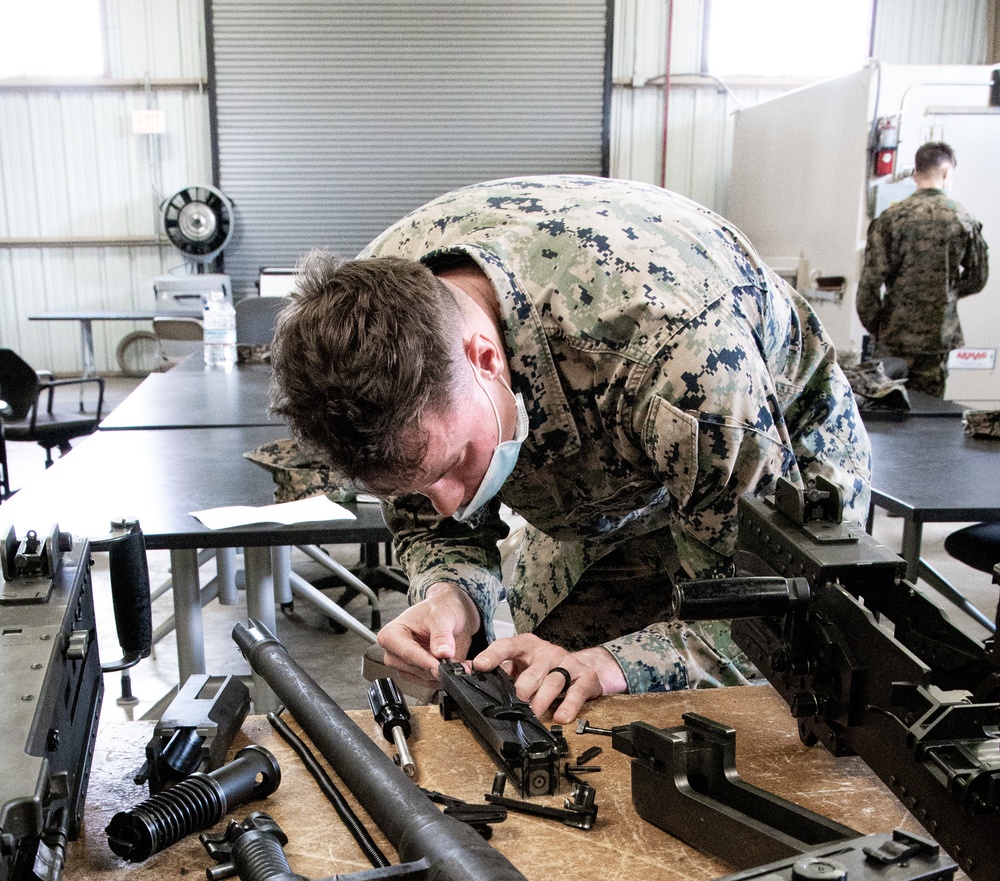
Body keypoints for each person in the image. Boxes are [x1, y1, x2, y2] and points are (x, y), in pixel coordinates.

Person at [272, 176, 871, 724]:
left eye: (455, 465)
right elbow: (436, 518)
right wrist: (449, 593)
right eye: (418, 485)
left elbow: (759, 614)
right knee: (548, 692)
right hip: (595, 471)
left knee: (766, 704)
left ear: (485, 359)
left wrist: (615, 666)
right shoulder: (375, 327)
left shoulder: (683, 365)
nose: (449, 506)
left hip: (765, 456)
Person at [856, 141, 988, 398]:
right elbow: (978, 278)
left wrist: (878, 328)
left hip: (894, 337)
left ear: (915, 174)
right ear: (947, 174)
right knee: (927, 418)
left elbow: (870, 284)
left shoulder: (891, 218)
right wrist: (946, 293)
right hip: (937, 336)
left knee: (885, 410)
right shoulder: (962, 218)